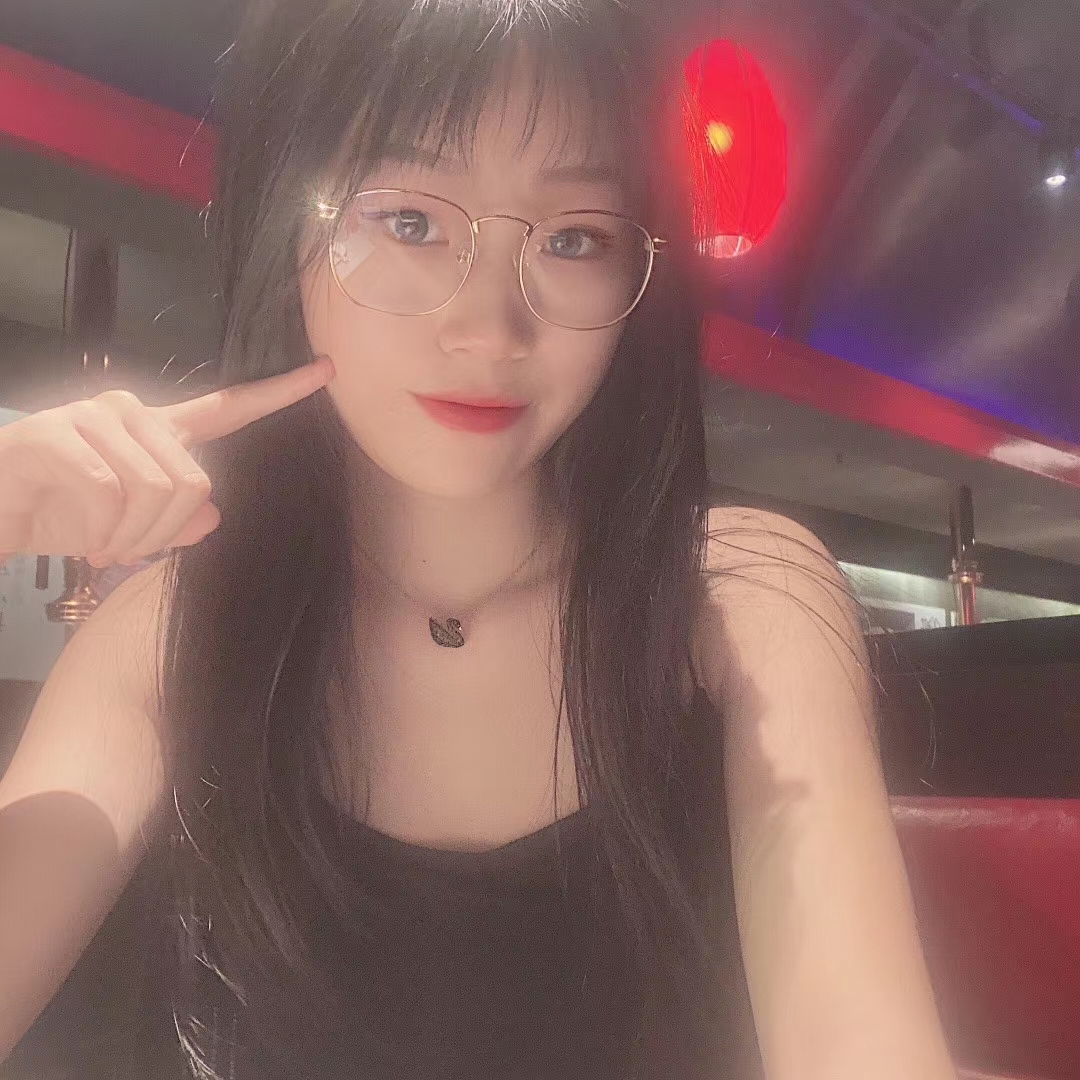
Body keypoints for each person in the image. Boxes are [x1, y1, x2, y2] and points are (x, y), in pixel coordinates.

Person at [0, 1, 956, 1077]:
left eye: (575, 237)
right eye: (411, 221)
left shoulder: (739, 600)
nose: (491, 329)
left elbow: (857, 1042)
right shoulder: (169, 635)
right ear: (284, 231)